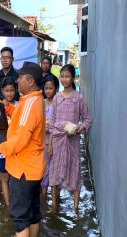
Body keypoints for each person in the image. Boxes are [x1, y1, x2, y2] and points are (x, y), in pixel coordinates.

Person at [0, 61, 46, 237]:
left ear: (30, 82)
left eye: (20, 77)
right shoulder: (31, 100)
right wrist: (10, 110)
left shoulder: (31, 103)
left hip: (23, 170)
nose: (17, 79)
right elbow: (25, 122)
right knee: (33, 214)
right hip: (34, 169)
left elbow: (21, 139)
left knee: (20, 219)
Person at [48, 64, 92, 212]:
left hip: (73, 141)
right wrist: (50, 144)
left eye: (67, 76)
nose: (64, 79)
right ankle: (54, 205)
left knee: (75, 171)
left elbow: (87, 119)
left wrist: (80, 128)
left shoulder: (78, 98)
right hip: (57, 140)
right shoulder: (56, 98)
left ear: (73, 78)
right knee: (54, 173)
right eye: (62, 76)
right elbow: (52, 122)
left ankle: (75, 209)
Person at [0, 77, 18, 207]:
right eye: (6, 90)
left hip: (15, 146)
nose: (9, 93)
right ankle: (8, 206)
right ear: (2, 91)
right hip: (2, 144)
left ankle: (14, 203)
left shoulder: (19, 105)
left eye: (12, 90)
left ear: (15, 90)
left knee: (14, 177)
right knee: (4, 178)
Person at [40, 74, 59, 206]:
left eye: (51, 88)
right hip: (42, 142)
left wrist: (51, 127)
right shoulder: (41, 103)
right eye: (46, 88)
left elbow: (59, 123)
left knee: (54, 171)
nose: (48, 91)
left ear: (56, 89)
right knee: (44, 171)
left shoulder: (59, 103)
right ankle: (44, 200)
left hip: (55, 141)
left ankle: (54, 203)